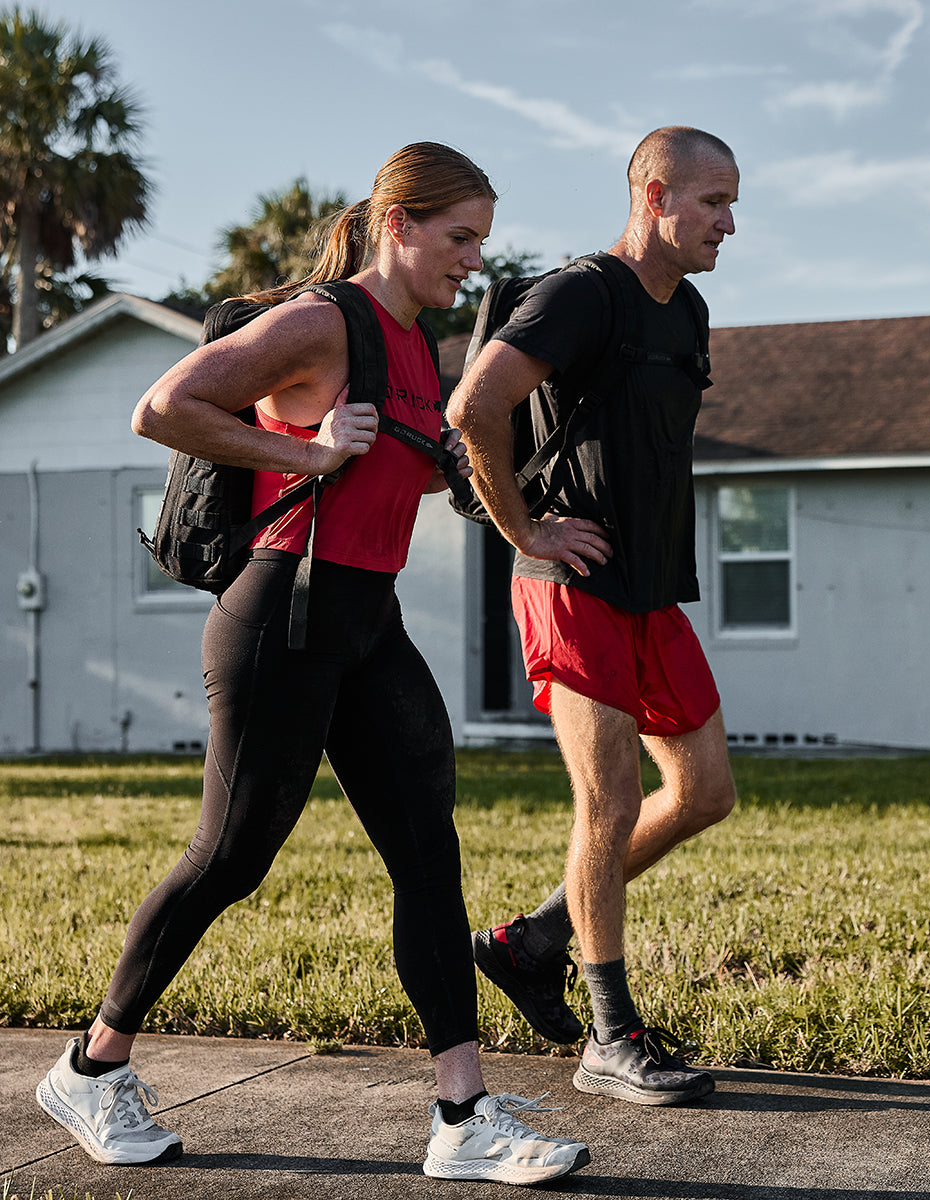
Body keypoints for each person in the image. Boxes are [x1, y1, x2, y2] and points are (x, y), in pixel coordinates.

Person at [34, 142, 589, 1187]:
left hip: (366, 619)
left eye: (482, 239)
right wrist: (310, 453)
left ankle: (462, 1115)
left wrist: (525, 523)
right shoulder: (322, 321)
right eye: (458, 236)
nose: (472, 258)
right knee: (231, 858)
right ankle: (90, 1066)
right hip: (280, 615)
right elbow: (162, 407)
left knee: (428, 853)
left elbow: (405, 476)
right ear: (399, 224)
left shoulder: (420, 348)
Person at [446, 126, 740, 1107]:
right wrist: (524, 532)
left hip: (653, 588)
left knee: (704, 792)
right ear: (656, 196)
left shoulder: (687, 311)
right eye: (713, 204)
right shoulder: (581, 294)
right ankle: (612, 1037)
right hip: (572, 587)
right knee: (609, 805)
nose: (729, 224)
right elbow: (474, 408)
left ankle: (534, 940)